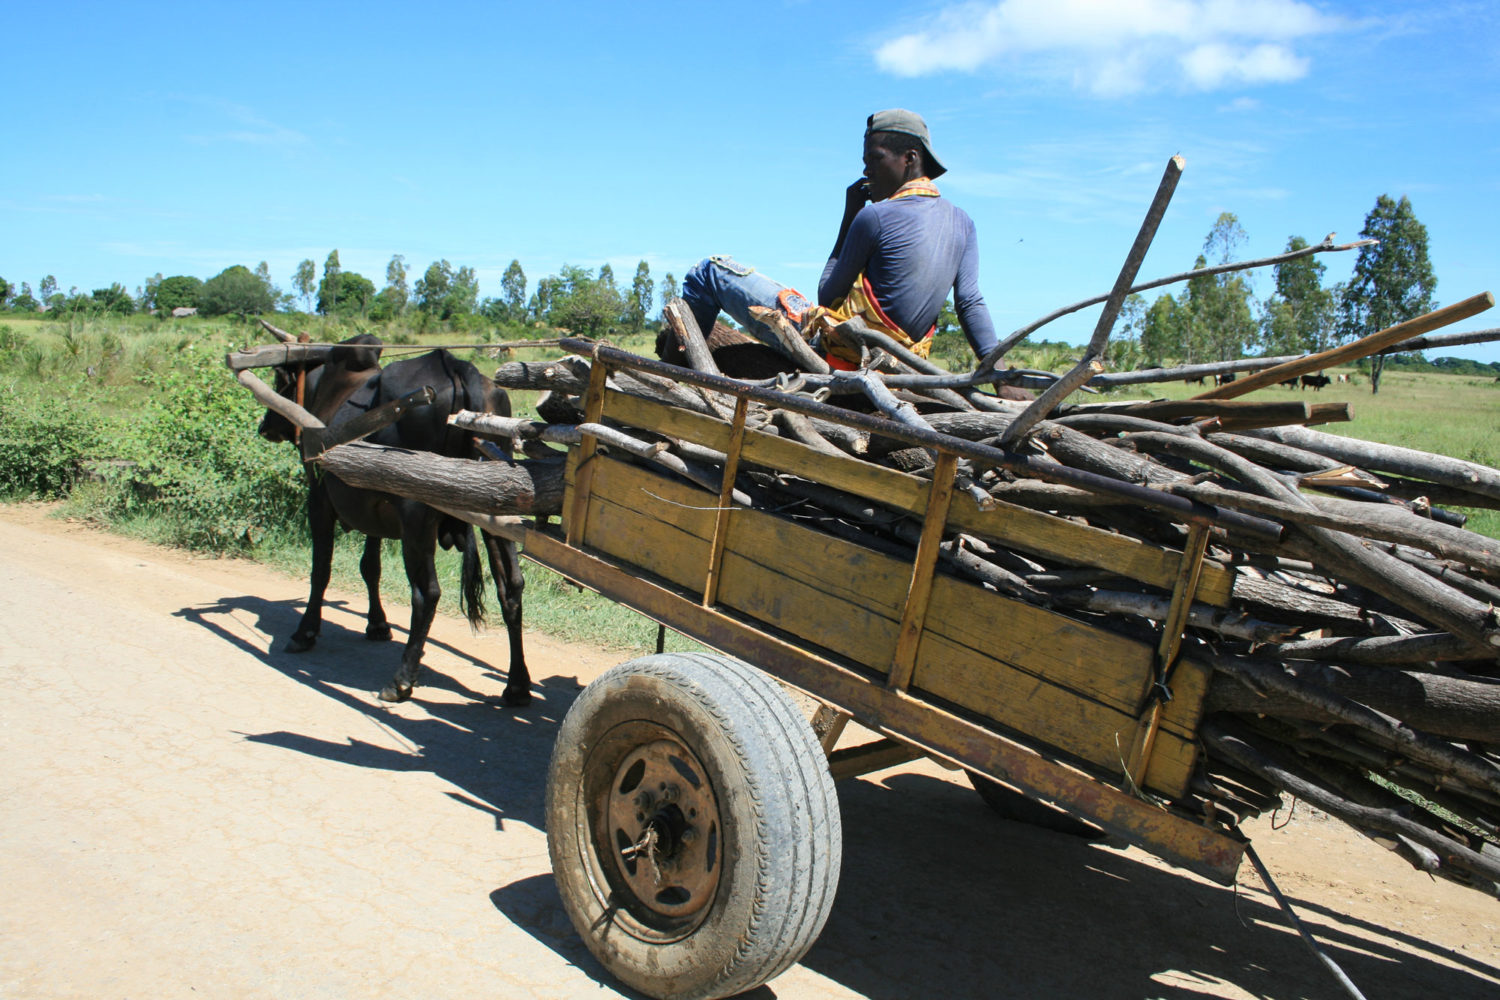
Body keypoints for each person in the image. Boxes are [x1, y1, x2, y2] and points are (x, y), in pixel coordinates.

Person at [681, 108, 998, 370]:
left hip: (842, 351)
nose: (866, 169)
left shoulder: (875, 217)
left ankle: (679, 370)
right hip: (902, 362)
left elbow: (828, 295)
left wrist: (850, 215)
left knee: (710, 270)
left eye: (875, 158)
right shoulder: (963, 222)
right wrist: (994, 367)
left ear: (910, 159)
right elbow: (970, 302)